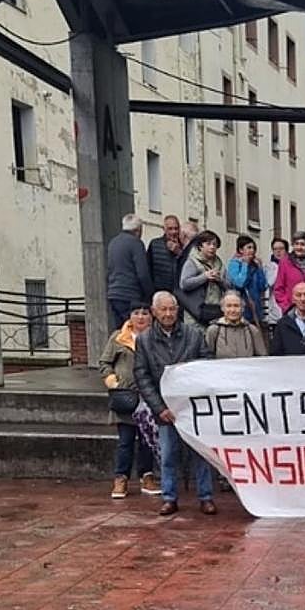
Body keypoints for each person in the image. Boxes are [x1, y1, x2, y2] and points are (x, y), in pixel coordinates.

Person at [133, 291, 215, 516]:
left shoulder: (194, 334)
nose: (168, 314)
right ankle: (169, 497)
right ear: (154, 312)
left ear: (178, 310)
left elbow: (206, 364)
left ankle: (206, 497)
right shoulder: (144, 340)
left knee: (201, 453)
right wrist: (159, 408)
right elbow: (142, 377)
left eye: (172, 309)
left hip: (192, 407)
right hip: (165, 410)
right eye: (164, 309)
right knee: (168, 454)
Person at [99, 299, 160, 499]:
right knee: (125, 440)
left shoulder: (155, 337)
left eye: (144, 313)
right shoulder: (118, 337)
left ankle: (147, 476)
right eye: (136, 313)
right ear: (129, 316)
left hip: (148, 397)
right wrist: (112, 381)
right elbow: (105, 362)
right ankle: (121, 477)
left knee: (147, 440)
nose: (141, 317)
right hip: (126, 397)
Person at [106, 214, 154, 331]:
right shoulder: (136, 244)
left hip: (114, 294)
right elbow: (142, 273)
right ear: (138, 230)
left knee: (121, 331)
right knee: (134, 330)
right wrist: (150, 294)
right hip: (130, 295)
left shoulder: (113, 242)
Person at [178, 230, 230, 325]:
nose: (212, 247)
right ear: (200, 246)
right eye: (208, 244)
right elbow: (184, 284)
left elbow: (229, 287)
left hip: (215, 311)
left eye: (215, 244)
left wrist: (220, 280)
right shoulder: (192, 262)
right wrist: (204, 277)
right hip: (196, 313)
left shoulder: (220, 264)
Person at [205, 291, 269, 358]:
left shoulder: (252, 330)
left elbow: (262, 358)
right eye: (228, 306)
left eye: (236, 306)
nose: (233, 310)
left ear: (242, 308)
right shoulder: (214, 330)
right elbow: (208, 357)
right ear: (222, 308)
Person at [227, 235, 269, 325]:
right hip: (241, 309)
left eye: (253, 248)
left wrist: (260, 268)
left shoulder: (255, 265)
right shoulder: (234, 264)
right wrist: (245, 265)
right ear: (241, 250)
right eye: (249, 248)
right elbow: (240, 283)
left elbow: (263, 286)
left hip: (255, 309)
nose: (252, 250)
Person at [147, 215, 182, 294]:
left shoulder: (184, 245)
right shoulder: (155, 244)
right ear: (164, 229)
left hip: (179, 292)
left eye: (176, 228)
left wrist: (179, 252)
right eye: (170, 229)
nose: (173, 232)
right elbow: (148, 269)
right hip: (160, 291)